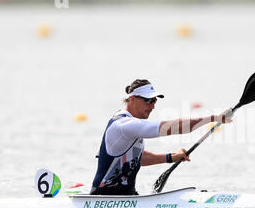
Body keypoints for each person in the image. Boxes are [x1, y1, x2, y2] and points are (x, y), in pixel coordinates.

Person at [91, 79, 233, 195]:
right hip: (103, 197)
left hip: (127, 197)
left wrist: (170, 157)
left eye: (154, 101)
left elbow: (132, 158)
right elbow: (171, 127)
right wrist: (214, 117)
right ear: (132, 99)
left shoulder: (128, 123)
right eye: (148, 101)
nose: (153, 106)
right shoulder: (124, 124)